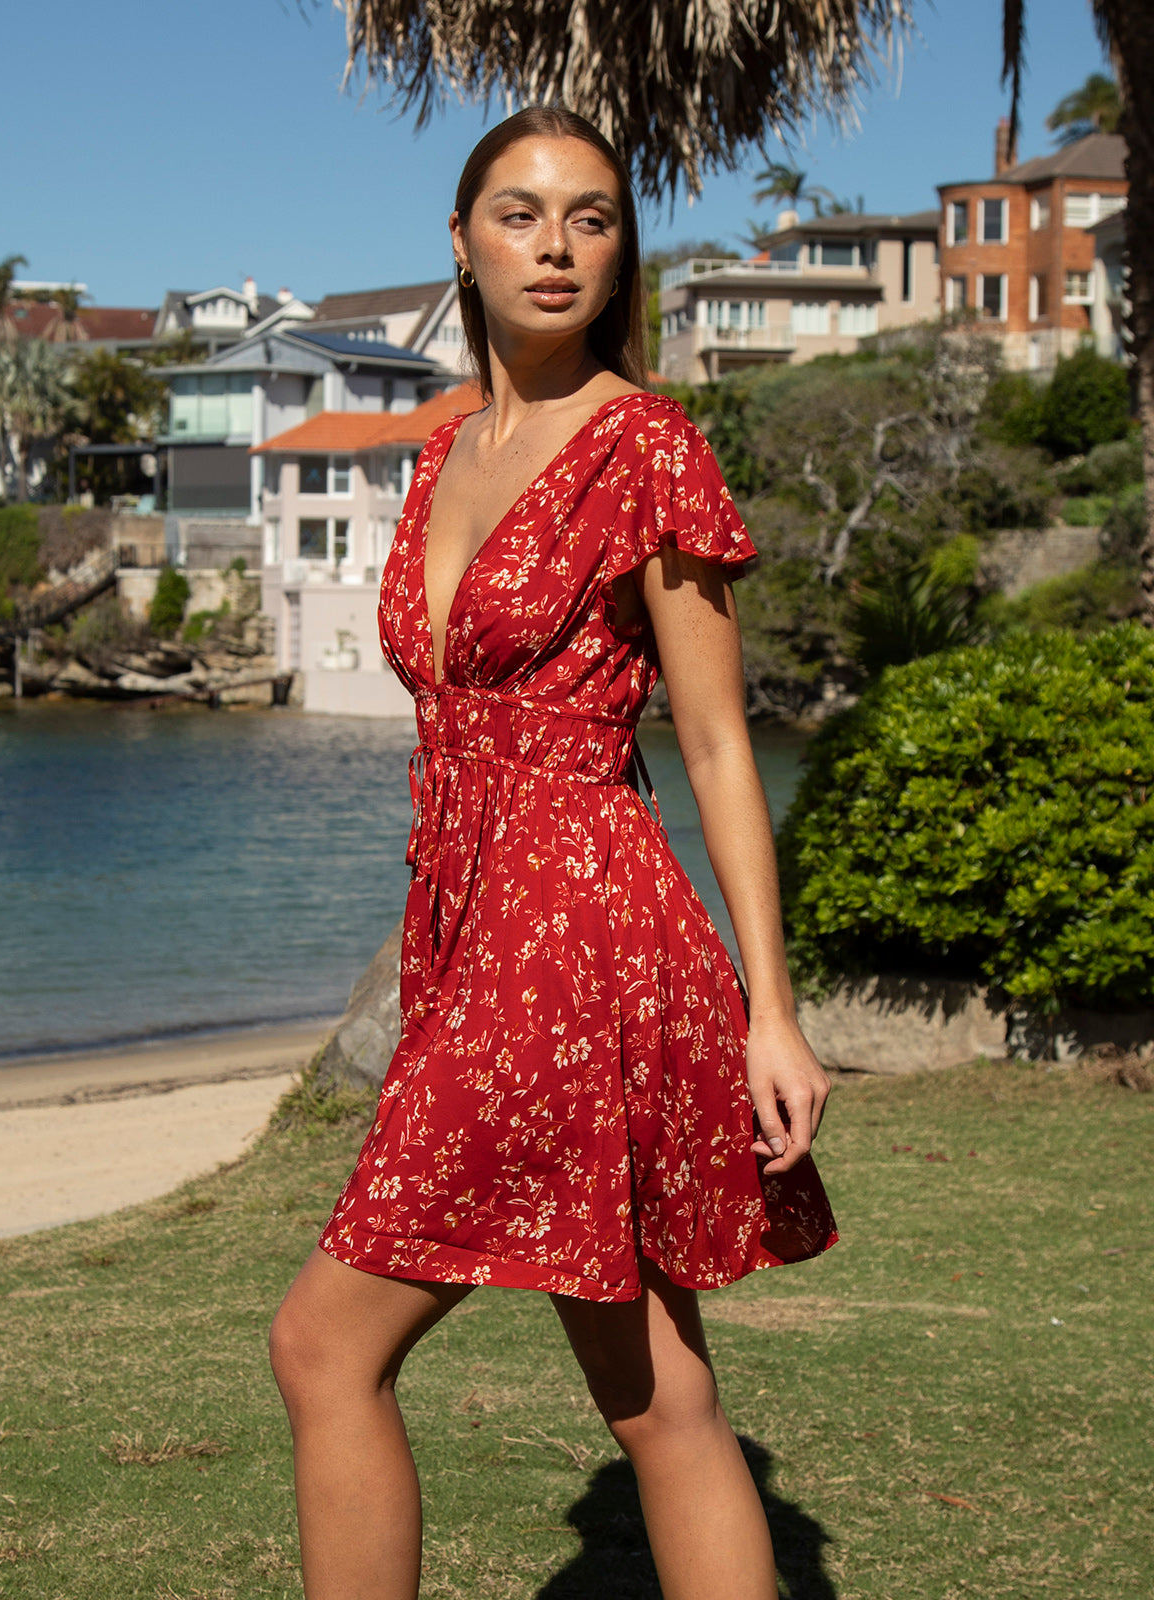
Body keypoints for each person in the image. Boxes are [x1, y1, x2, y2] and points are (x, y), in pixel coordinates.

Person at [270, 106, 838, 1600]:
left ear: (620, 251)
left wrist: (770, 1013)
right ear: (458, 242)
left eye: (592, 217)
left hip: (579, 932)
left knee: (323, 1346)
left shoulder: (647, 446)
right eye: (521, 213)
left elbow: (718, 746)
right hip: (472, 929)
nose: (557, 246)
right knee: (657, 1396)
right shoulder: (447, 448)